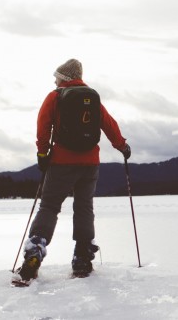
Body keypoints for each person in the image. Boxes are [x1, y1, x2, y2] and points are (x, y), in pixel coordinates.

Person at [16, 58, 131, 281]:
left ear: (64, 77)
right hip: (90, 163)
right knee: (84, 207)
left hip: (62, 162)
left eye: (56, 77)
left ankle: (35, 250)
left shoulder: (56, 96)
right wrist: (122, 146)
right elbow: (108, 124)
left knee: (49, 206)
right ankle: (82, 258)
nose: (54, 80)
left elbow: (43, 125)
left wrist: (42, 154)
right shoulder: (92, 98)